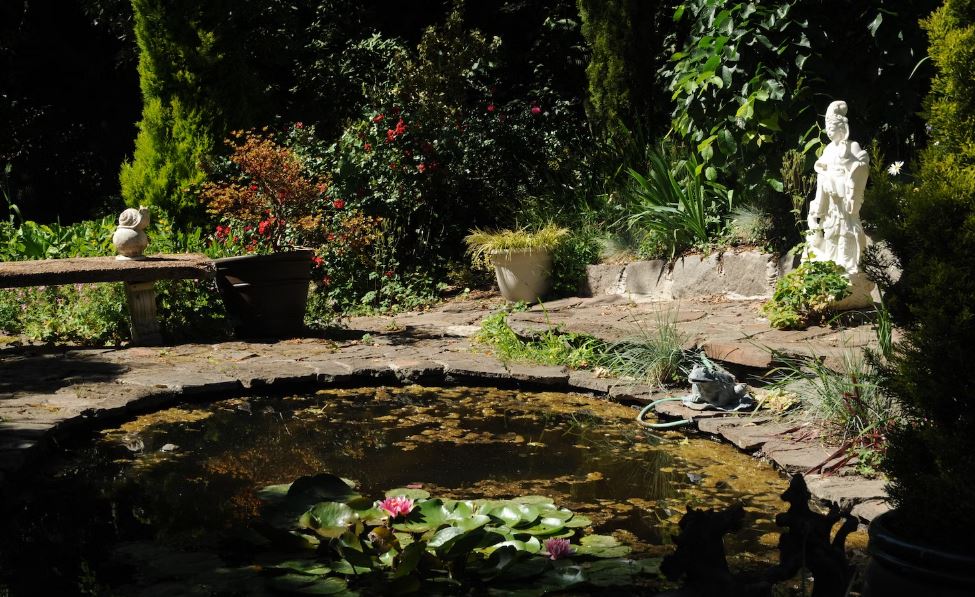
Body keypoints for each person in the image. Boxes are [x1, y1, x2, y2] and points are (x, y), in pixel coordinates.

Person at [805, 100, 870, 275]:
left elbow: (862, 165)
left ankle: (846, 264)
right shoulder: (828, 149)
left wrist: (849, 165)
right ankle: (831, 264)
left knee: (846, 231)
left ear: (842, 127)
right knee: (831, 230)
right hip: (830, 198)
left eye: (832, 127)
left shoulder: (852, 146)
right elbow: (822, 167)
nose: (829, 131)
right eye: (827, 127)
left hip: (845, 198)